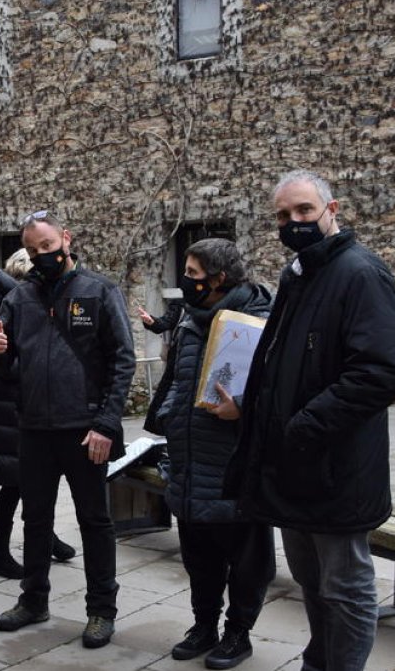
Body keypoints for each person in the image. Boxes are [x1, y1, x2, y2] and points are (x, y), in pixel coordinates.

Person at [225, 170, 395, 671]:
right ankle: (319, 660)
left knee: (345, 586)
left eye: (304, 211)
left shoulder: (360, 272)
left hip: (336, 465)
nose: (294, 222)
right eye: (283, 215)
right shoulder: (299, 274)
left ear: (332, 210)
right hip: (292, 464)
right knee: (310, 581)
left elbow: (381, 372)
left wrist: (305, 425)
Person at [0, 210, 136, 649]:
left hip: (87, 430)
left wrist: (107, 423)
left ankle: (101, 611)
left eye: (47, 247)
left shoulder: (99, 290)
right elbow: (4, 364)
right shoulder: (20, 297)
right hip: (34, 428)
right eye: (32, 251)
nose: (40, 257)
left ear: (66, 238)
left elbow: (123, 361)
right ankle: (33, 600)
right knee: (35, 520)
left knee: (95, 520)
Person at [145, 239, 275, 669]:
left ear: (219, 280)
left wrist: (243, 410)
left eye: (193, 274)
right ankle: (204, 625)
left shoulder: (260, 322)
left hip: (233, 466)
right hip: (188, 459)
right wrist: (167, 415)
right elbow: (179, 379)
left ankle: (238, 633)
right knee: (198, 557)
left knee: (246, 561)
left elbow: (280, 396)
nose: (185, 281)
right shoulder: (189, 320)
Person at [0, 248, 75, 579]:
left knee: (34, 479)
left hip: (24, 404)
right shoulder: (11, 304)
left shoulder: (12, 299)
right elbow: (6, 359)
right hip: (12, 405)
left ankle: (45, 536)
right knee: (16, 481)